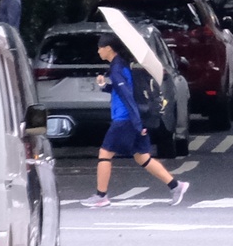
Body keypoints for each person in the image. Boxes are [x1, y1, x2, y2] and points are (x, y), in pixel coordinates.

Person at [80, 34, 189, 209]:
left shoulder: (117, 70)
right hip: (133, 118)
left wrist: (138, 125)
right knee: (142, 157)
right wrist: (104, 86)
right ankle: (176, 186)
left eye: (100, 47)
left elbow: (128, 98)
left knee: (105, 154)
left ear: (108, 49)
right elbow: (122, 91)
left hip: (125, 119)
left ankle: (101, 196)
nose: (98, 51)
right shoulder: (121, 66)